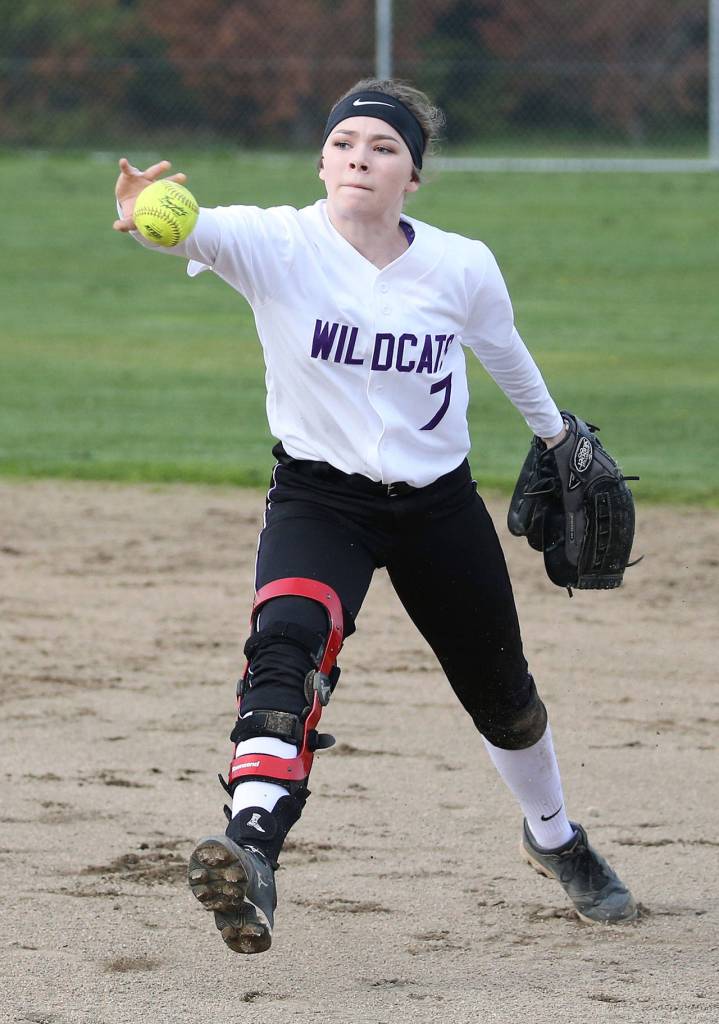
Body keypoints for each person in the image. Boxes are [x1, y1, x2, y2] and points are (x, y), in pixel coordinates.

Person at [114, 78, 637, 955]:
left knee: (503, 700)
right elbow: (184, 228)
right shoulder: (272, 241)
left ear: (414, 176)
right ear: (321, 162)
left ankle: (554, 839)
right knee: (284, 647)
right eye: (346, 142)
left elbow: (503, 355)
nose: (361, 156)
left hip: (438, 507)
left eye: (384, 147)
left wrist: (557, 440)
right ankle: (251, 847)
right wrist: (139, 209)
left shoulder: (460, 263)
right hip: (320, 501)